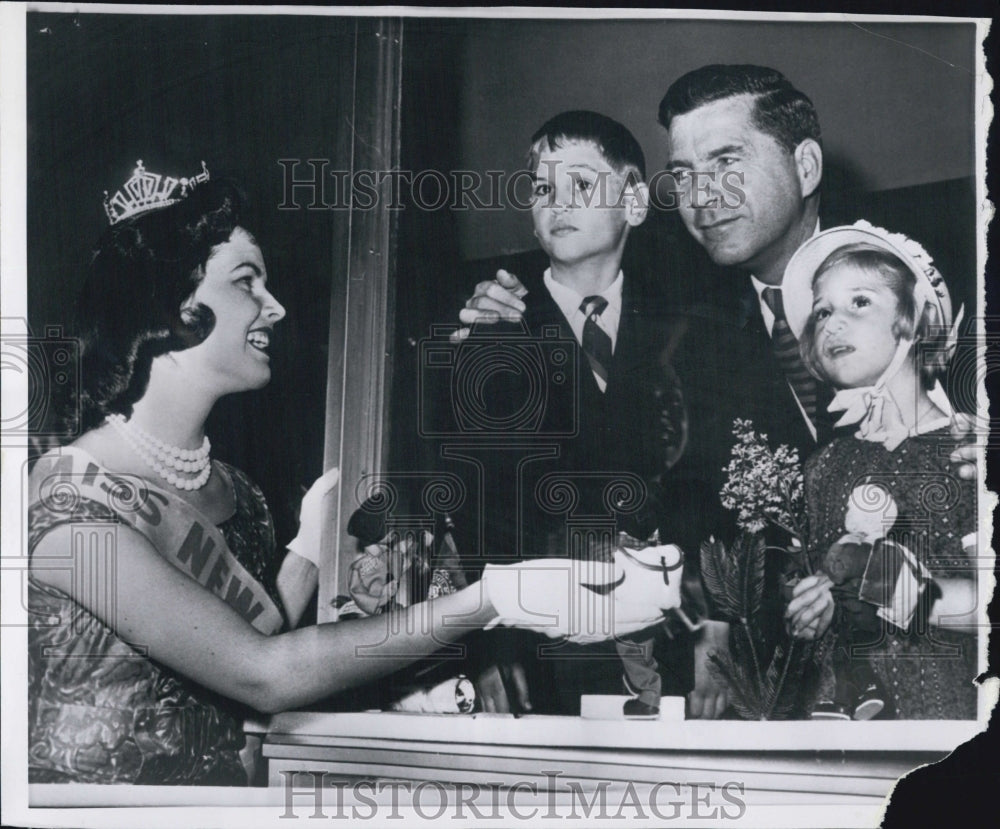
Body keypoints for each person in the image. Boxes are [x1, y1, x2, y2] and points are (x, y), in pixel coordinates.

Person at [26, 161, 656, 785]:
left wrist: (309, 554)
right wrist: (493, 599)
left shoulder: (235, 491)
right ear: (168, 301)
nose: (274, 308)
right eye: (247, 282)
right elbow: (262, 672)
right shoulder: (68, 495)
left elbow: (256, 641)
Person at [456, 65, 978, 716]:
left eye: (727, 162)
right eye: (686, 174)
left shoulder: (945, 279)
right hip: (766, 701)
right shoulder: (680, 321)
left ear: (807, 166)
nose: (702, 196)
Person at [435, 111, 694, 717]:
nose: (557, 204)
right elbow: (473, 503)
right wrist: (482, 648)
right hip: (535, 637)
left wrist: (714, 628)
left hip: (663, 640)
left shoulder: (680, 328)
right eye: (543, 189)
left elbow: (699, 486)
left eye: (581, 185)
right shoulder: (493, 323)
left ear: (633, 201)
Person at [780, 221, 978, 719]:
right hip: (832, 723)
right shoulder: (823, 466)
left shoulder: (966, 450)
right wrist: (813, 607)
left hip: (938, 718)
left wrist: (910, 594)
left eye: (859, 302)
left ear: (913, 320)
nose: (831, 322)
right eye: (821, 311)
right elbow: (829, 581)